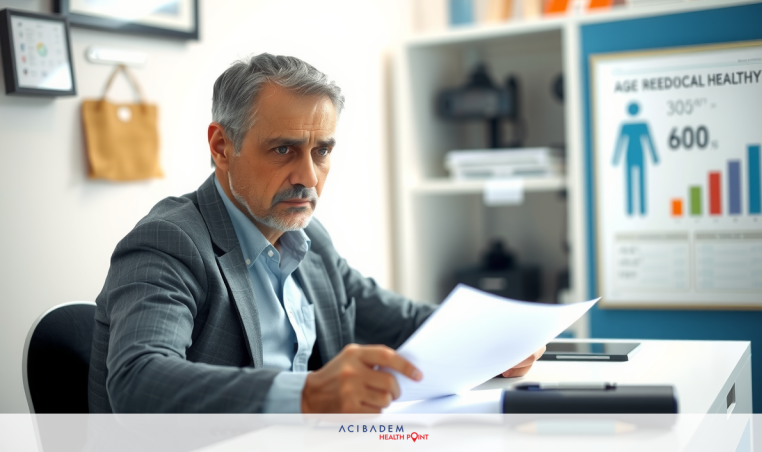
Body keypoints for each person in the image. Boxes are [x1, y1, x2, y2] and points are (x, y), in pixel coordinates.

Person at [88, 54, 545, 414]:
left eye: (321, 150)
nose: (307, 176)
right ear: (222, 147)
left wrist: (495, 341)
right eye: (283, 149)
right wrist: (305, 396)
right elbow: (138, 381)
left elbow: (400, 321)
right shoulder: (169, 243)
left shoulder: (308, 238)